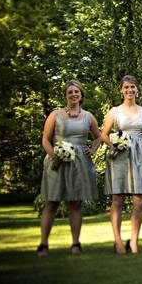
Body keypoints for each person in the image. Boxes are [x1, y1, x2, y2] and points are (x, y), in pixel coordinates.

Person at [37, 80, 101, 256]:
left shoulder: (89, 116)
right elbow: (45, 138)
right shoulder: (55, 115)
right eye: (70, 92)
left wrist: (93, 149)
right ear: (65, 95)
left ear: (81, 95)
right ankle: (43, 244)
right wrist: (54, 155)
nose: (73, 95)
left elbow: (98, 137)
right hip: (57, 162)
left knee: (75, 203)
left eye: (76, 92)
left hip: (79, 163)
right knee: (52, 202)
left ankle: (75, 244)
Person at [100, 75, 142, 254]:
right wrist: (114, 146)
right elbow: (103, 134)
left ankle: (134, 240)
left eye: (132, 87)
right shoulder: (114, 111)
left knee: (139, 200)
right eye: (126, 87)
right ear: (121, 90)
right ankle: (117, 241)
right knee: (117, 198)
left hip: (141, 156)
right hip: (120, 156)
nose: (129, 90)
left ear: (137, 90)